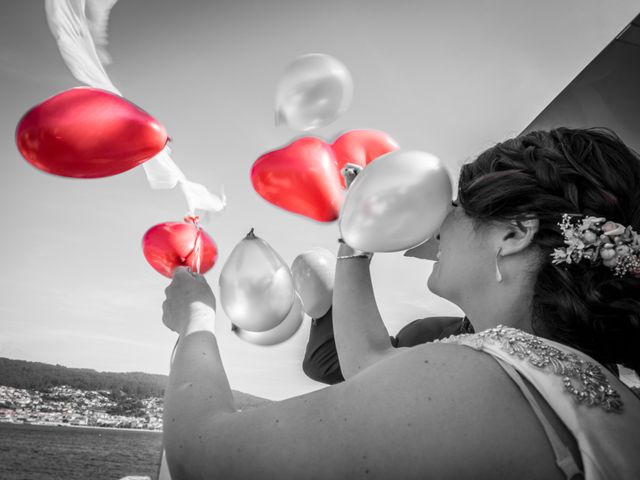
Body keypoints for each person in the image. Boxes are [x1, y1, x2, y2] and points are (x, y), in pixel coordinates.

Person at [162, 128, 640, 479]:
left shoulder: (482, 376)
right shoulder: (590, 387)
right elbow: (368, 360)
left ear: (514, 234)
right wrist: (356, 235)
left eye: (458, 206)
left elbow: (201, 457)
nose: (439, 221)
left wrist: (196, 318)